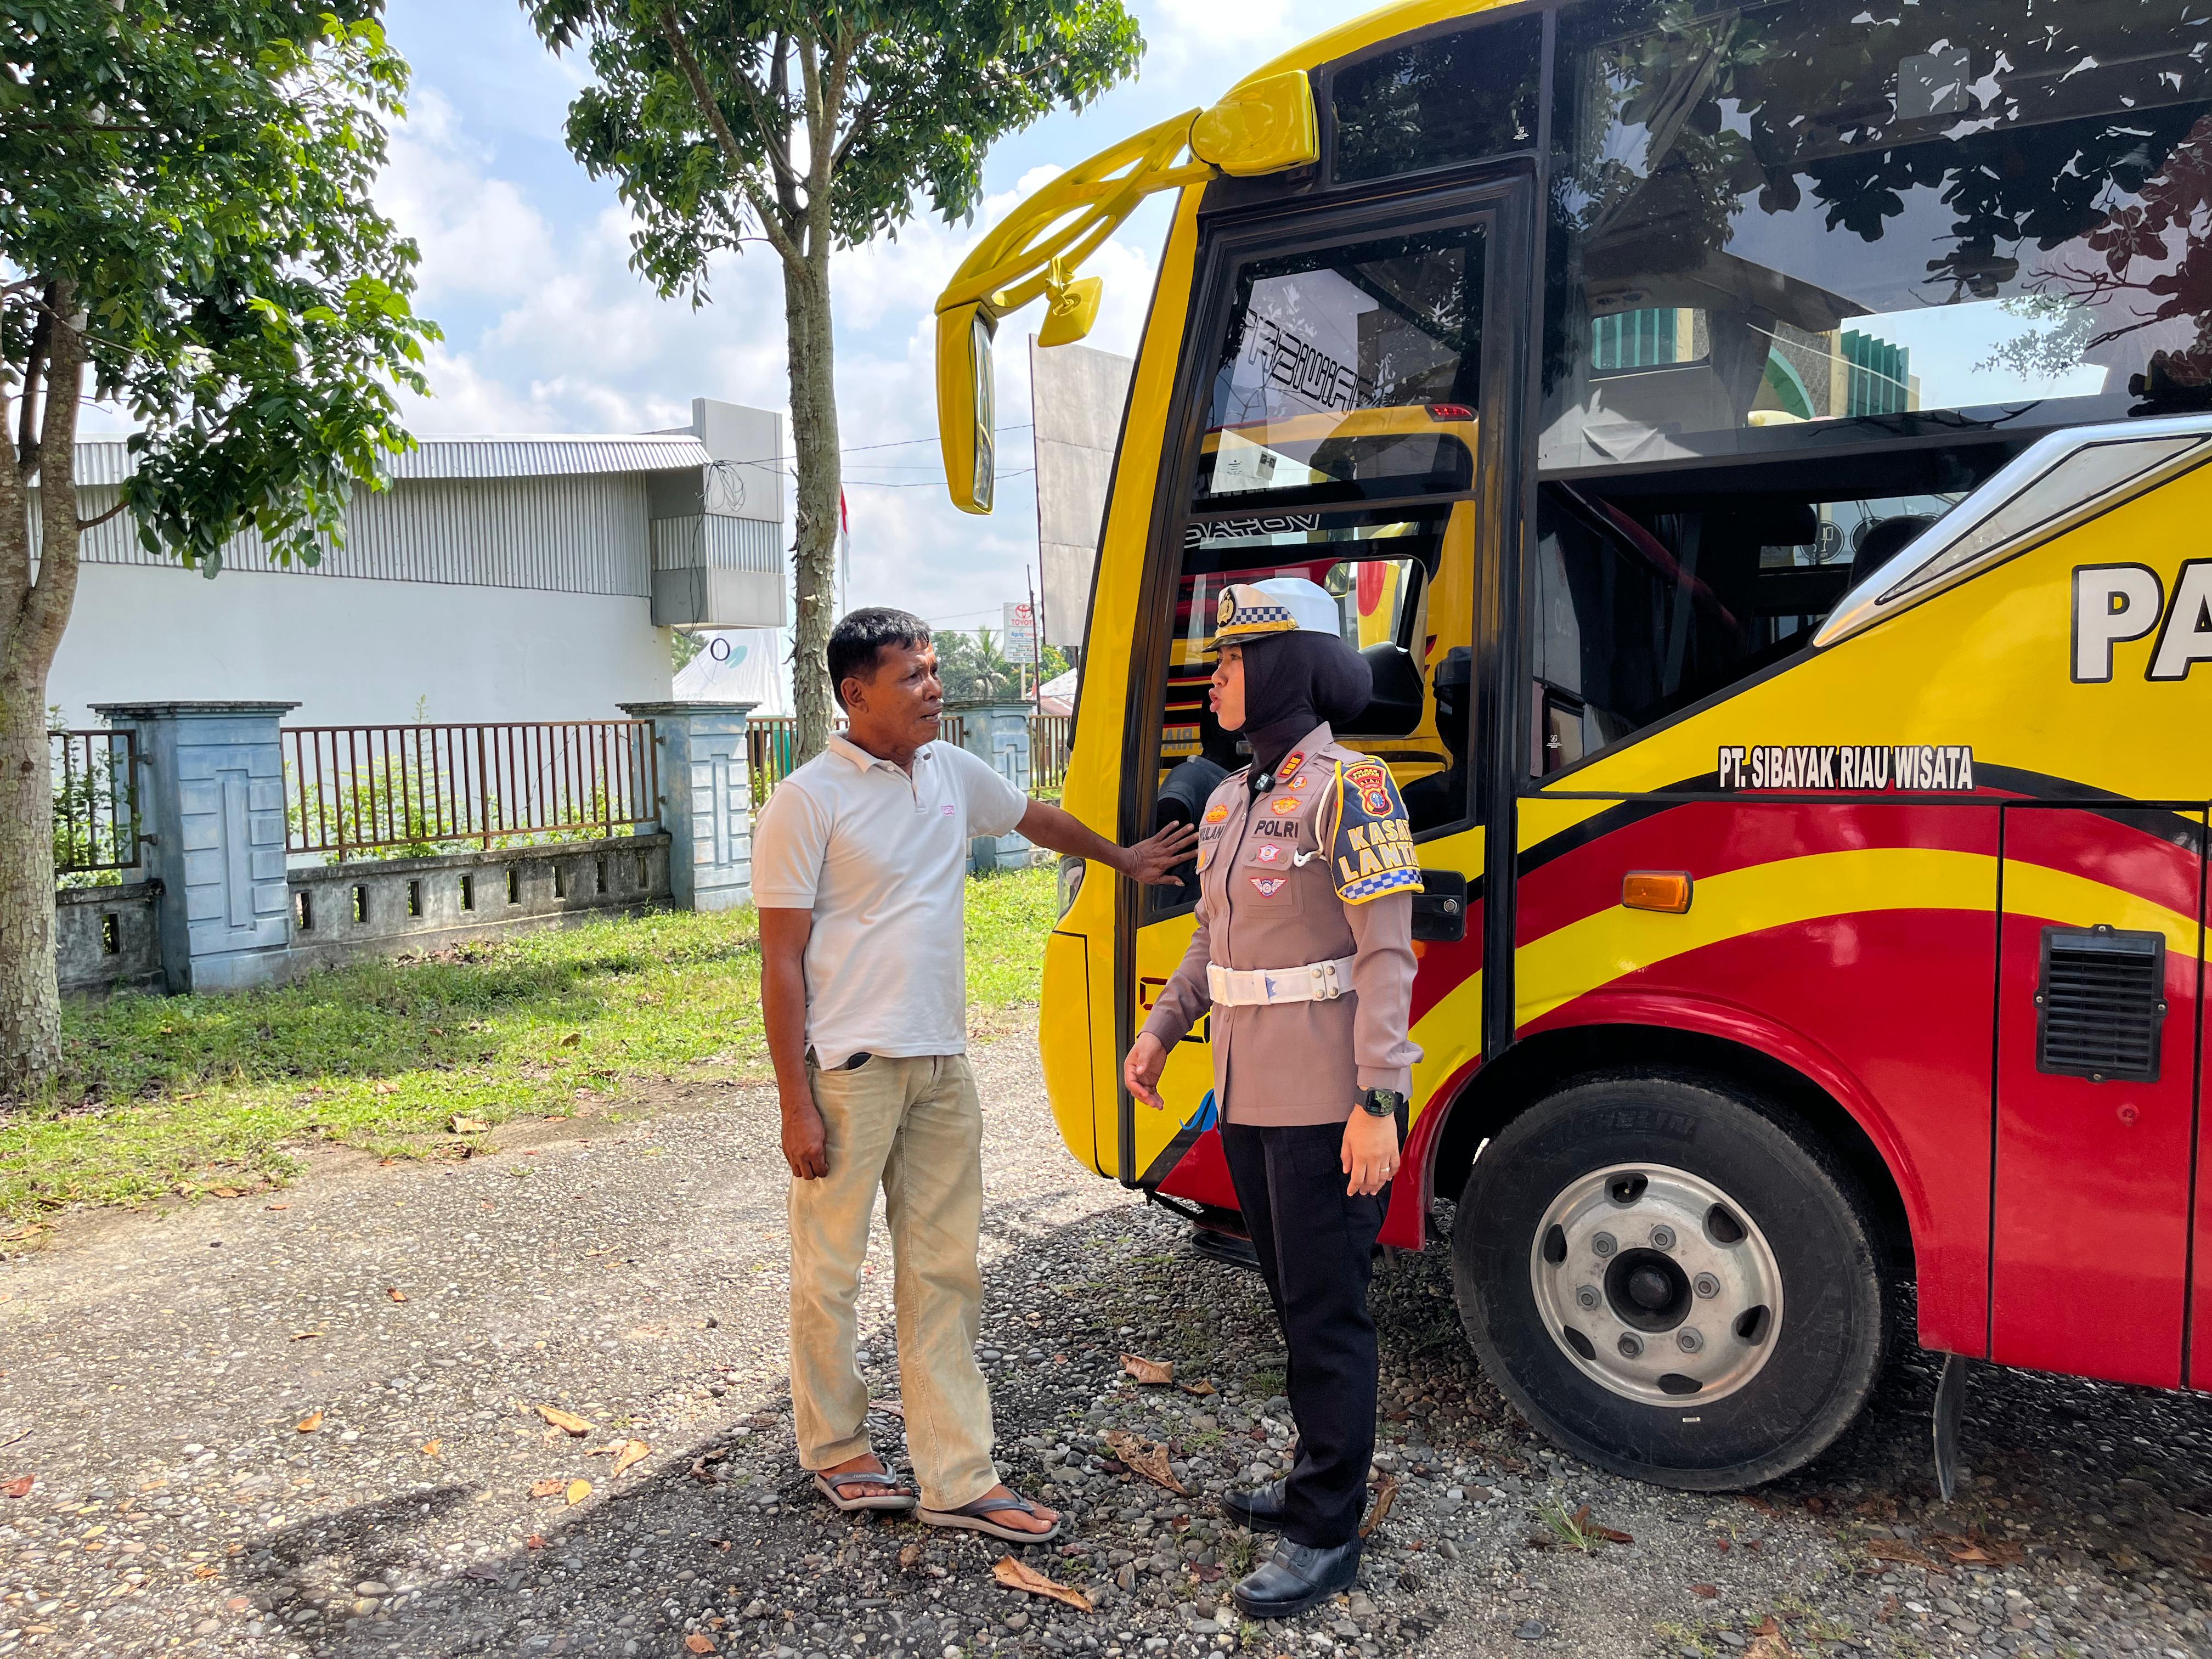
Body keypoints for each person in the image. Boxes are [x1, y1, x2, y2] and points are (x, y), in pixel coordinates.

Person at [752, 606, 1195, 1543]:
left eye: (933, 669)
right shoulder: (806, 800)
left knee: (946, 1271)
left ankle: (956, 1477)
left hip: (942, 1068)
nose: (933, 687)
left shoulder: (951, 769)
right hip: (850, 1071)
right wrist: (796, 1103)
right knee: (830, 1271)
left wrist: (1123, 860)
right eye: (912, 675)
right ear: (855, 693)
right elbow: (780, 961)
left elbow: (1035, 818)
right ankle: (836, 1448)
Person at [1121, 577, 1423, 1618]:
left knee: (1329, 1316)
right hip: (1248, 1097)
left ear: (1288, 667)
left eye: (1235, 659)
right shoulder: (1227, 797)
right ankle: (1313, 1480)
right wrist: (1162, 1030)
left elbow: (1387, 955)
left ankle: (1327, 1530)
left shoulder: (1355, 788)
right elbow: (1211, 937)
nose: (1215, 677)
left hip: (1328, 1103)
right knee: (1295, 1303)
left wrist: (1379, 1099)